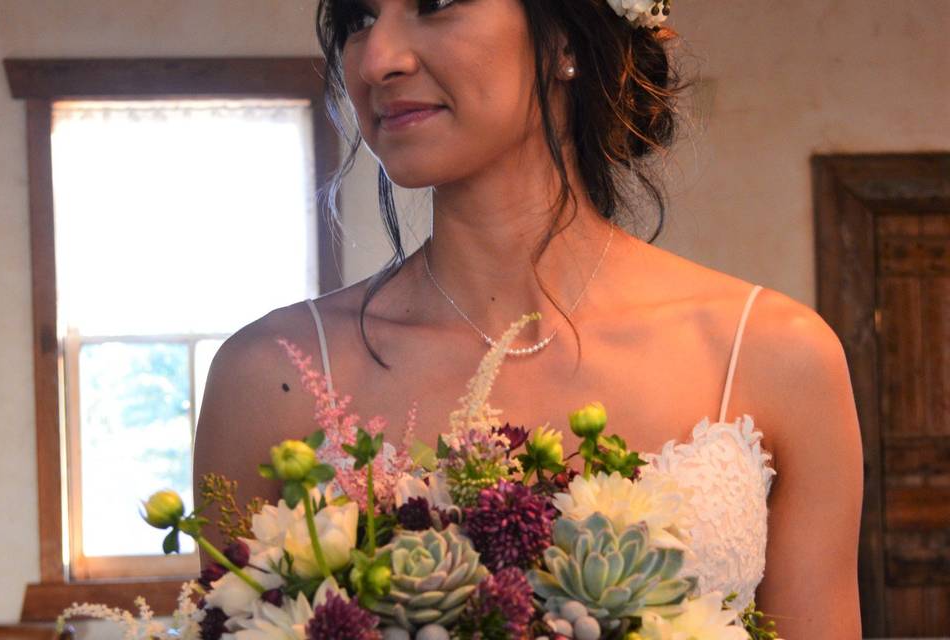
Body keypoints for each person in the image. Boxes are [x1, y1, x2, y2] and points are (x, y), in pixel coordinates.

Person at [194, 1, 864, 637]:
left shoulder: (775, 357)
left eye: (435, 2)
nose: (376, 61)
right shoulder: (267, 377)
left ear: (565, 38)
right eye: (358, 19)